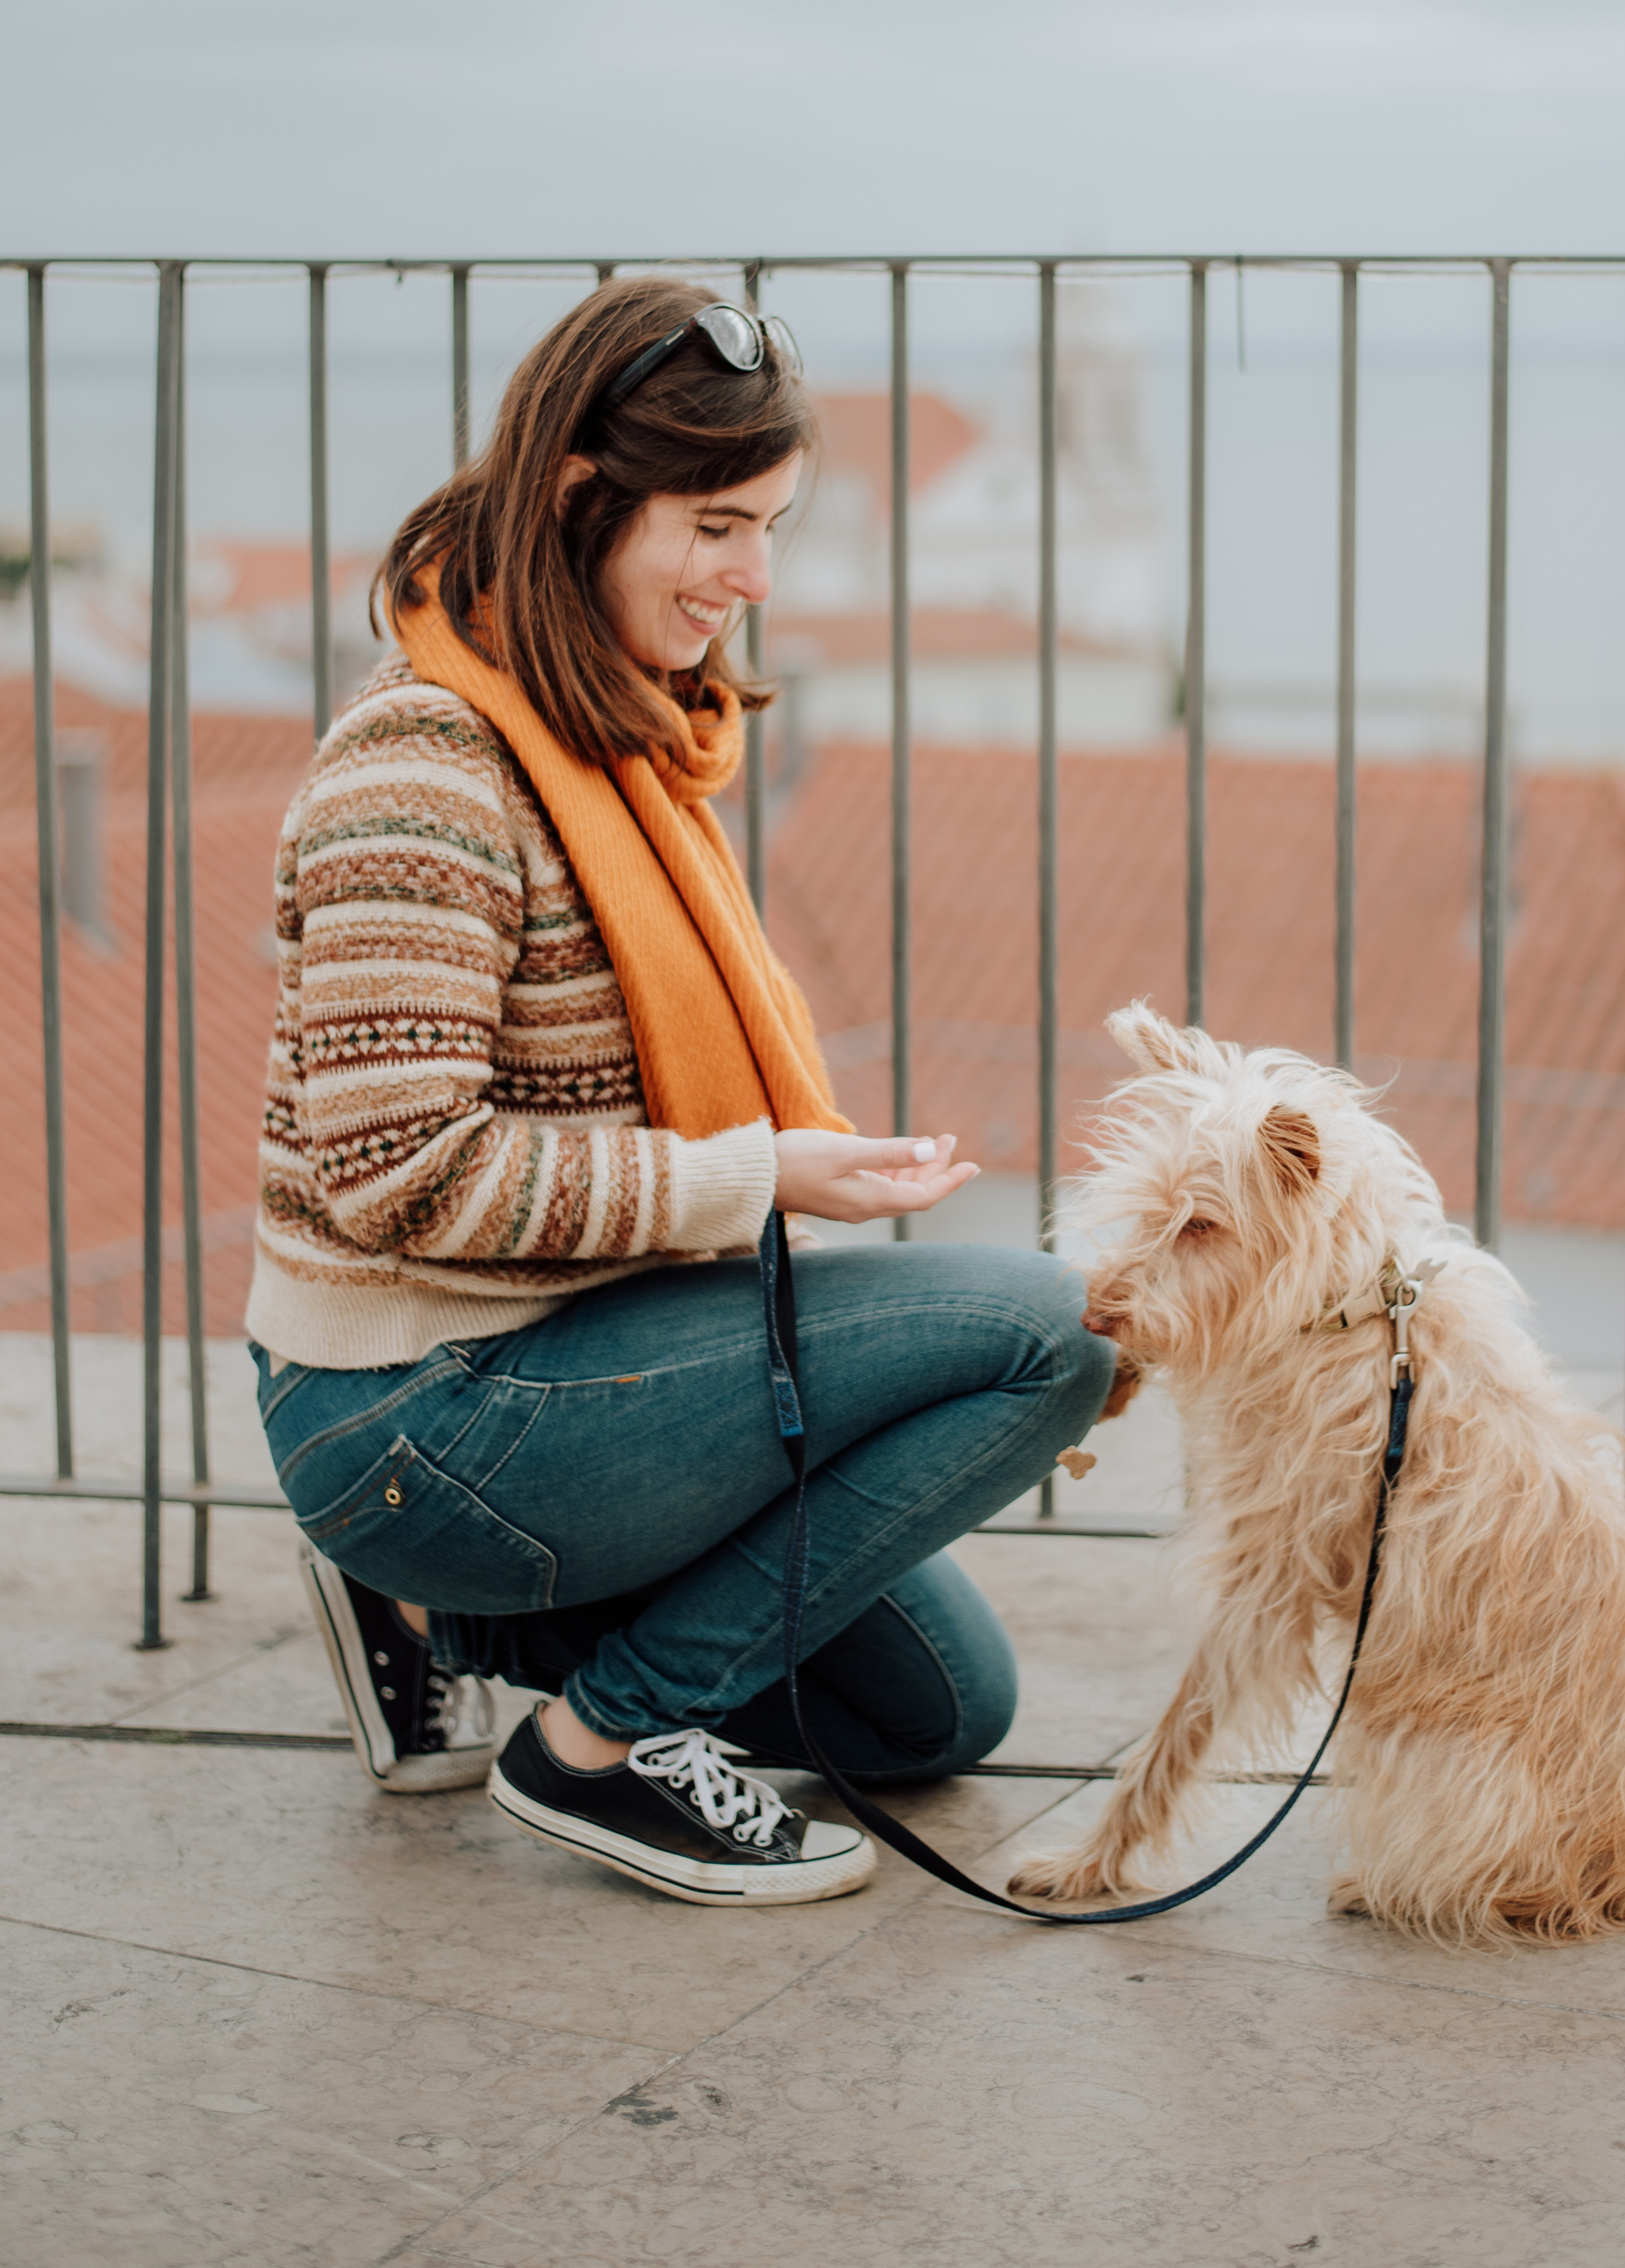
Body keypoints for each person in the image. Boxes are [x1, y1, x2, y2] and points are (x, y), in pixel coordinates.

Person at [249, 278, 1114, 1907]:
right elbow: (399, 1178)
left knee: (942, 1712)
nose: (752, 580)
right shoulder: (420, 769)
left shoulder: (610, 727)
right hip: (414, 1403)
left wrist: (777, 1173)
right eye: (716, 527)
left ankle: (450, 1617)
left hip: (581, 1341)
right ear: (582, 497)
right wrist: (751, 1177)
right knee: (1057, 1332)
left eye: (772, 527)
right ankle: (604, 1748)